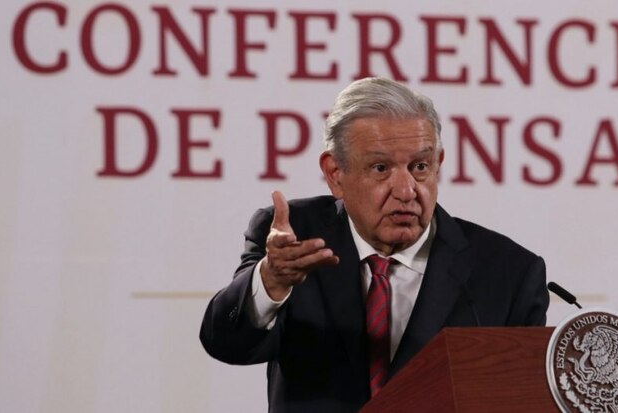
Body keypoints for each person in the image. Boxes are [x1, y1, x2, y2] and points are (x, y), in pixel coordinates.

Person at [200, 77, 549, 412]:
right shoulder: (295, 239)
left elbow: (521, 400)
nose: (406, 190)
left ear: (438, 165)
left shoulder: (507, 273)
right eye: (381, 168)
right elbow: (225, 343)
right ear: (335, 174)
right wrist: (270, 282)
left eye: (420, 166)